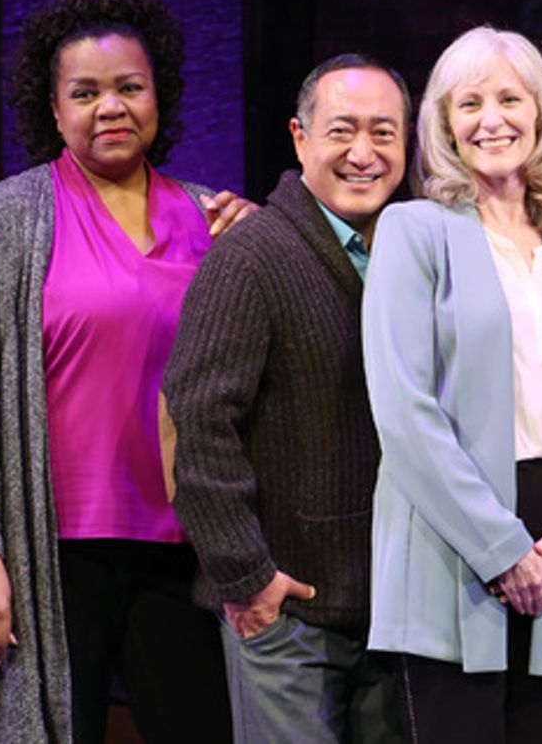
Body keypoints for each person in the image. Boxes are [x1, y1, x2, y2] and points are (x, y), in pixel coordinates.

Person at [0, 0, 249, 741]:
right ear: (54, 107)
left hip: (179, 549)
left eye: (130, 87)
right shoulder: (9, 218)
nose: (111, 107)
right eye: (86, 92)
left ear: (157, 95)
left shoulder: (211, 218)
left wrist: (264, 243)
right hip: (47, 552)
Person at [361, 26, 542, 744]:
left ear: (541, 115)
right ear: (444, 124)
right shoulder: (413, 229)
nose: (491, 118)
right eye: (468, 103)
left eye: (510, 98)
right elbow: (405, 413)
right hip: (454, 547)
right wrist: (503, 549)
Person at [164, 53, 411, 742]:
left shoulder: (407, 251)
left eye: (384, 132)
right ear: (300, 137)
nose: (363, 152)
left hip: (386, 610)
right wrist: (247, 573)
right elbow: (200, 422)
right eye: (342, 131)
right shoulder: (251, 257)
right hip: (286, 612)